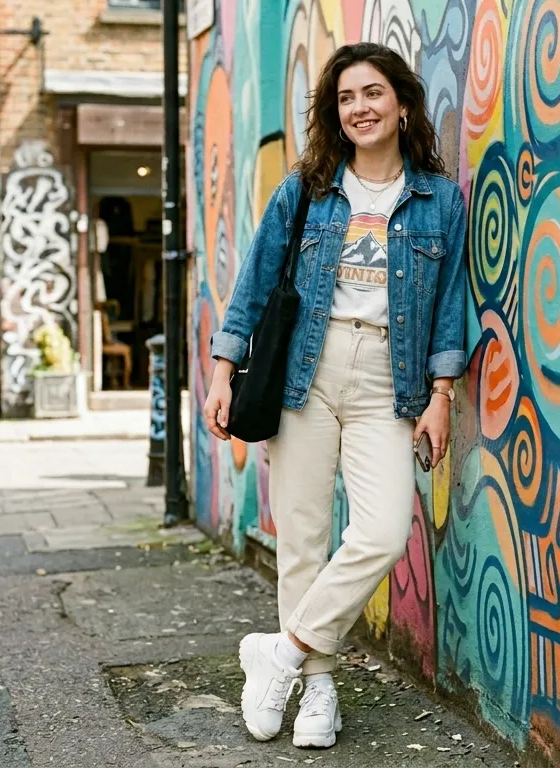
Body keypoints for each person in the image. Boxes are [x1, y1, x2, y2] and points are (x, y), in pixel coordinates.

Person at [202, 42, 468, 750]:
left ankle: (280, 654)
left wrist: (443, 395)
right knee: (304, 537)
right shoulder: (307, 188)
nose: (361, 108)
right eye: (347, 98)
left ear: (402, 103)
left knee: (381, 532)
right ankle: (317, 688)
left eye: (373, 93)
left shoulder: (439, 200)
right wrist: (223, 371)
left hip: (392, 374)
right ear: (335, 112)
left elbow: (448, 309)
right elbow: (254, 282)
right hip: (305, 372)